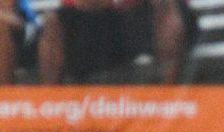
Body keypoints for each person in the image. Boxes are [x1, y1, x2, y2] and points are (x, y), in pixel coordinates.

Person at [37, 0, 196, 85]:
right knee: (53, 23)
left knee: (165, 7)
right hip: (97, 23)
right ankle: (51, 108)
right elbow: (81, 4)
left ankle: (168, 104)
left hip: (145, 19)